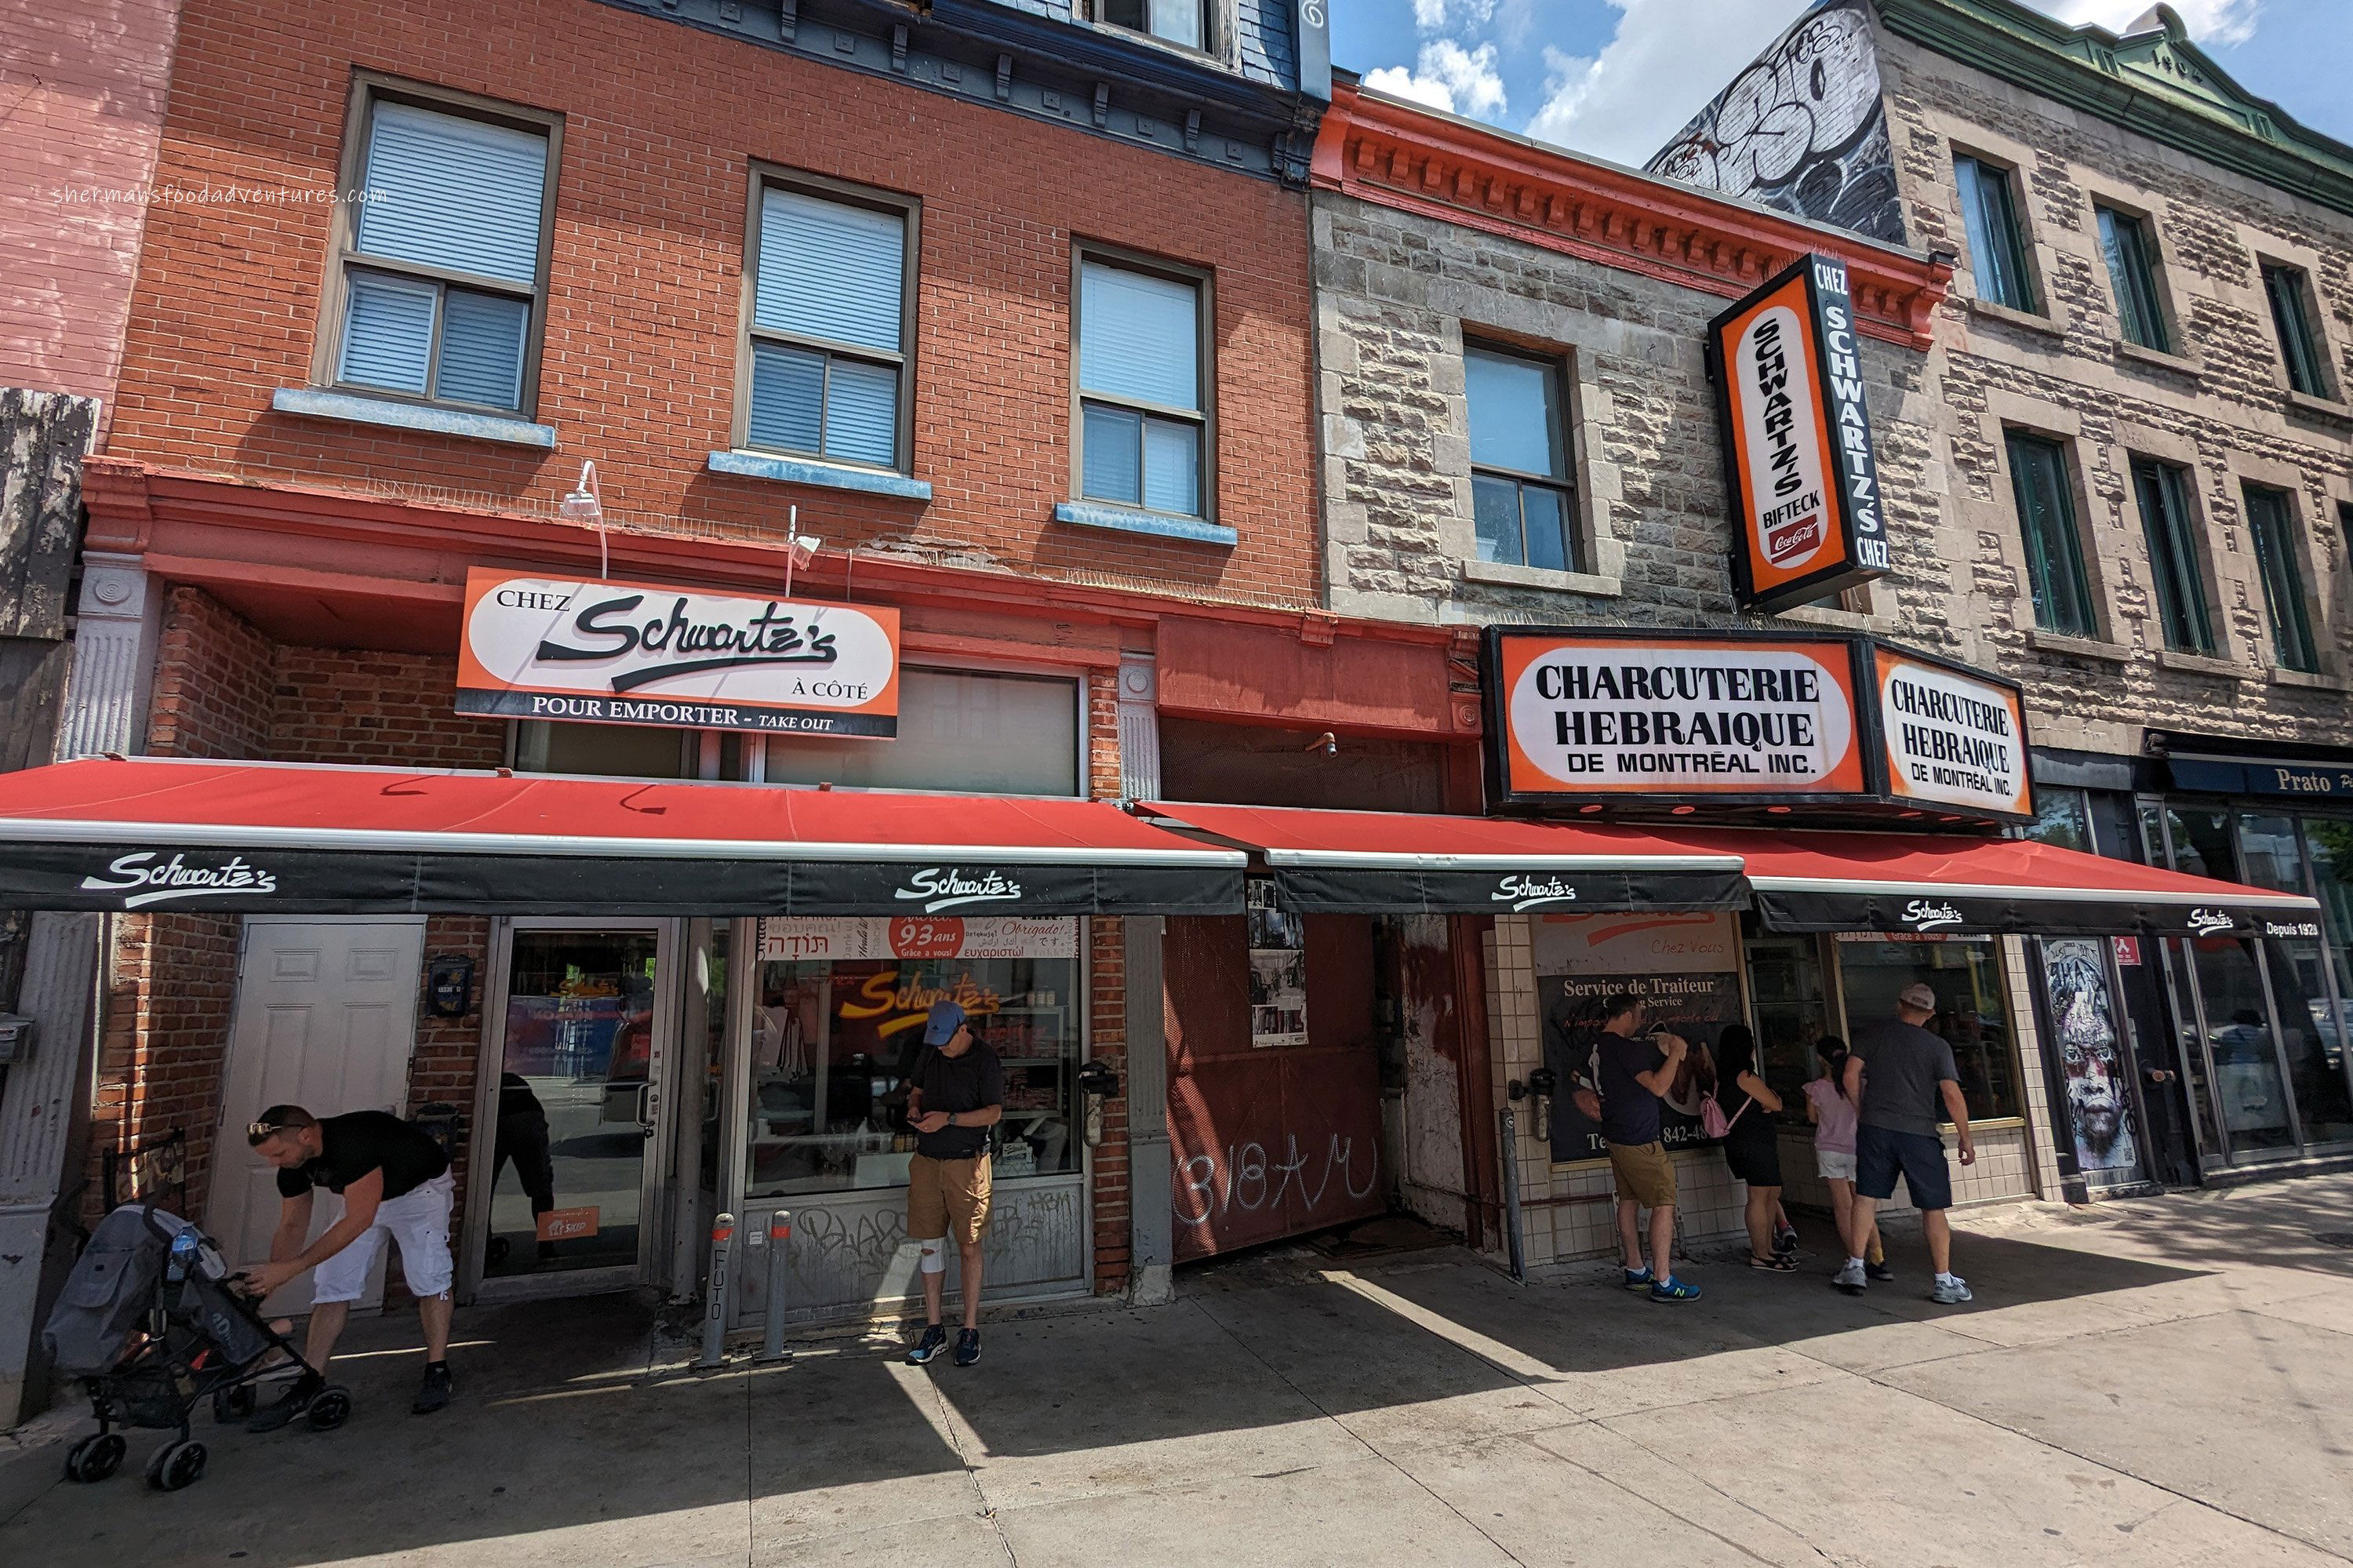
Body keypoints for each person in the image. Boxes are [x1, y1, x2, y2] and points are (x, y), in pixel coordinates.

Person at [239, 1104, 457, 1425]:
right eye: (270, 1158)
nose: (275, 1163)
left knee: (429, 1276)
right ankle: (312, 1379)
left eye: (280, 1153)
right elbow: (292, 1226)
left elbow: (359, 1219)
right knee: (332, 1280)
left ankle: (437, 1369)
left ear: (306, 1134)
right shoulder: (294, 1164)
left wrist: (293, 1267)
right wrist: (270, 1280)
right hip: (368, 1200)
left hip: (419, 1193)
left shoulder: (353, 1144)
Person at [1836, 983, 1977, 1303]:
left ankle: (1856, 1266)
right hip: (1920, 1134)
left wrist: (1862, 1111)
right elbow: (1951, 1094)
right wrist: (1965, 1136)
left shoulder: (1873, 1035)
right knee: (1932, 1206)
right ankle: (1943, 1281)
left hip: (1876, 1129)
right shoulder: (1937, 1047)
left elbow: (1849, 1075)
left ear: (1899, 1005)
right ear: (1930, 1014)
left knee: (1866, 1197)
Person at [1577, 993, 1701, 1303]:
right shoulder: (1625, 1048)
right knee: (1664, 1202)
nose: (1641, 1021)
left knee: (1629, 1200)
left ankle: (1635, 1268)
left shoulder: (1599, 1046)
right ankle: (1663, 1280)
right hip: (1640, 1139)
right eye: (1640, 1015)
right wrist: (1674, 1053)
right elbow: (1659, 1087)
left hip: (1616, 1134)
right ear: (1629, 1015)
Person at [902, 1000, 1004, 1367]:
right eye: (937, 1041)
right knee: (930, 1245)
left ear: (964, 1028)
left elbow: (994, 1112)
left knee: (969, 1246)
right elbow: (916, 1087)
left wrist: (950, 1119)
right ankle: (934, 1329)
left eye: (947, 1041)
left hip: (968, 1162)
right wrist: (915, 1106)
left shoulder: (985, 1058)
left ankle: (970, 1329)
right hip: (928, 1159)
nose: (942, 1048)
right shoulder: (930, 1052)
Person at [1803, 1037, 1887, 1283]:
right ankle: (1878, 1259)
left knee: (1843, 1207)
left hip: (1830, 1150)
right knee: (1864, 1204)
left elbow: (1812, 1118)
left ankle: (1854, 1261)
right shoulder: (1860, 1083)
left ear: (1821, 1059)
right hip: (1858, 1148)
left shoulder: (1815, 1088)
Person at [1712, 1025, 1794, 1272]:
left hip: (1742, 1141)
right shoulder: (1745, 1076)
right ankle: (1761, 1252)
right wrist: (1772, 1101)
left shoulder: (1723, 1075)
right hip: (1754, 1142)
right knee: (1760, 1196)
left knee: (1768, 1194)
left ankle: (1767, 1249)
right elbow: (1776, 1103)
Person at [492, 1071, 558, 1264]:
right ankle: (546, 1245)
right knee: (540, 1185)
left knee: (481, 1187)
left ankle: (482, 1246)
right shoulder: (510, 1080)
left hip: (504, 1113)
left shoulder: (496, 1074)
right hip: (527, 1116)